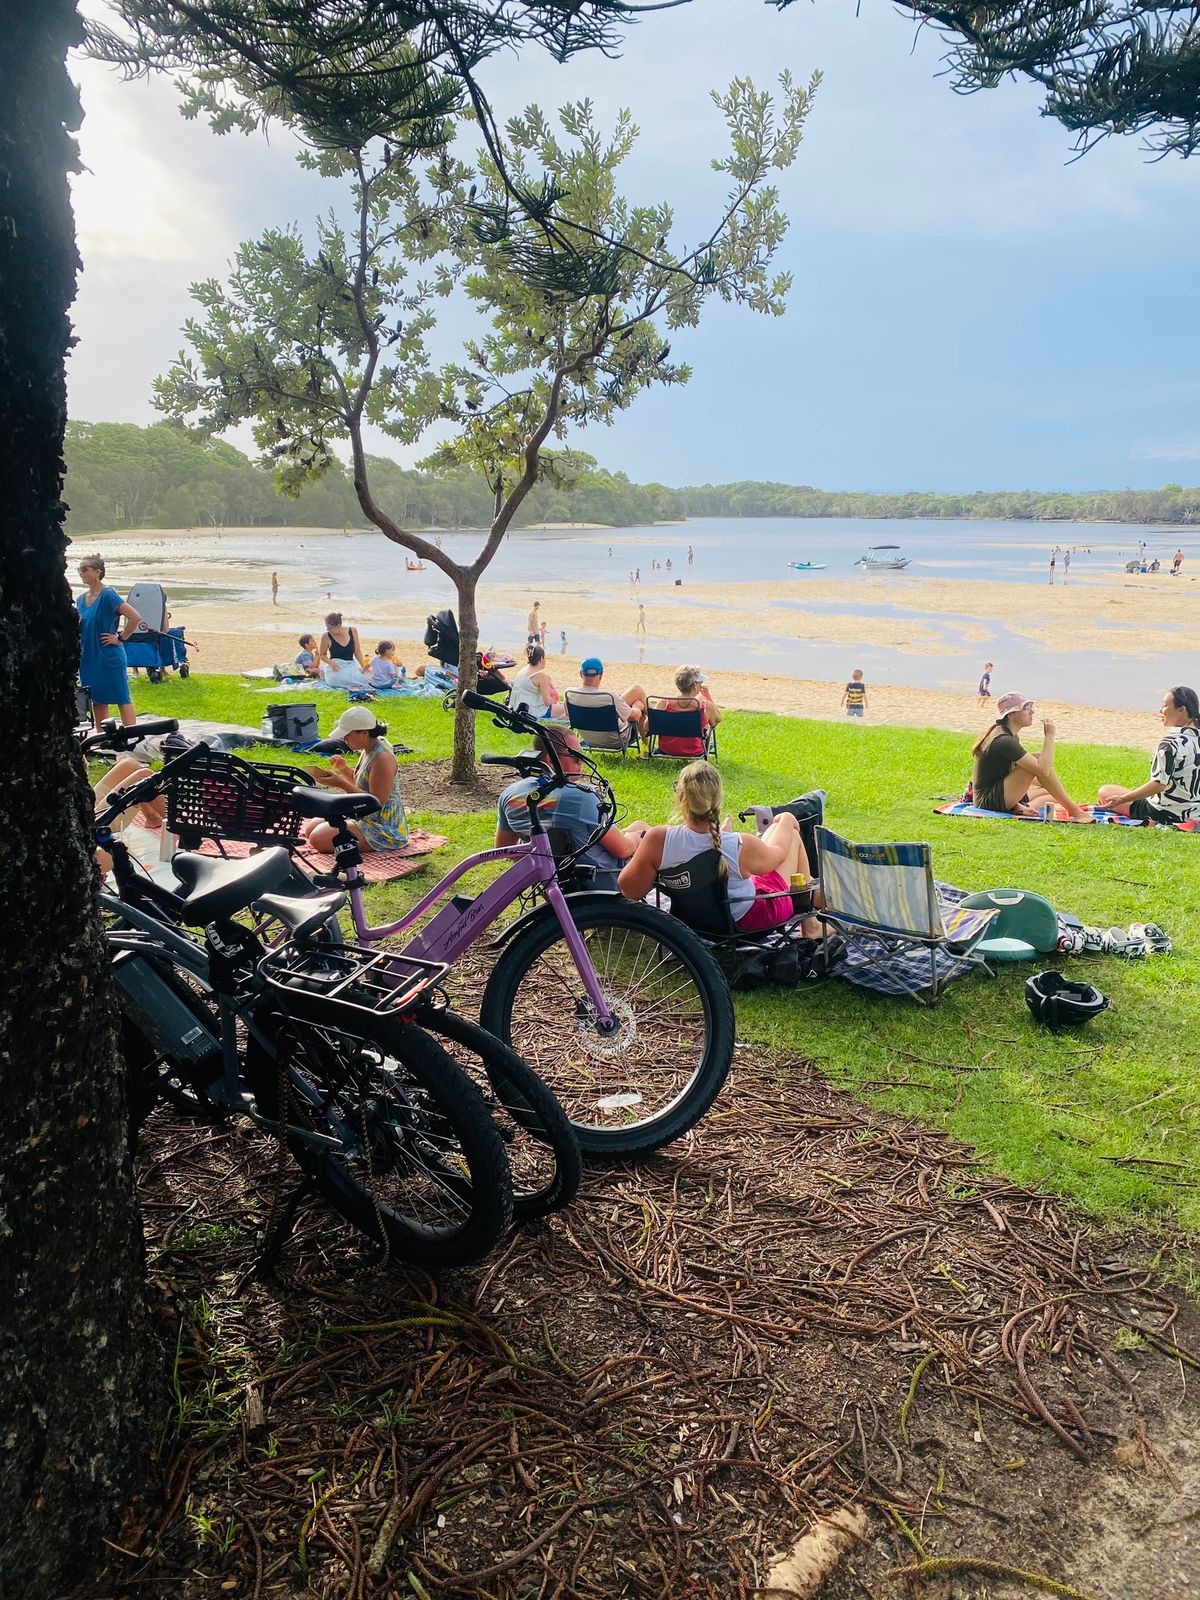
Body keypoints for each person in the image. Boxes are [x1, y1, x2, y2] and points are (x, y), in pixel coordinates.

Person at [619, 761, 822, 938]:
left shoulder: (658, 840)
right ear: (718, 801)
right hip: (749, 922)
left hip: (692, 923)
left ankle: (815, 910)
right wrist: (786, 819)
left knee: (765, 844)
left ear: (681, 798)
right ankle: (811, 924)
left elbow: (629, 890)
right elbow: (778, 855)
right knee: (790, 836)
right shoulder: (738, 845)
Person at [495, 725, 649, 889]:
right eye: (576, 757)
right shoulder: (582, 797)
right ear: (550, 760)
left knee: (636, 825)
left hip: (555, 885)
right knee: (648, 834)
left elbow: (504, 847)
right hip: (604, 882)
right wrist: (639, 836)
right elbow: (623, 850)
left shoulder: (510, 795)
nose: (581, 762)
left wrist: (543, 860)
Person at [301, 706, 409, 852]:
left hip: (383, 826)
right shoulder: (368, 750)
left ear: (364, 733)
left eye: (347, 735)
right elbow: (364, 784)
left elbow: (375, 802)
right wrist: (344, 770)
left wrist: (341, 783)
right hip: (364, 816)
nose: (343, 739)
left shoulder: (382, 758)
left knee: (317, 838)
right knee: (312, 827)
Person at [971, 692, 1090, 820]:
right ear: (1011, 714)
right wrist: (1049, 736)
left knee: (1050, 793)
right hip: (988, 801)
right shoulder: (1003, 740)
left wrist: (1045, 784)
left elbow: (1011, 770)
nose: (1031, 712)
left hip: (995, 794)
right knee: (1039, 761)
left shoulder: (1009, 735)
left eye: (1031, 708)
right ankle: (1074, 811)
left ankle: (1023, 807)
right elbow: (1042, 769)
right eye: (1026, 709)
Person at [1097, 687, 1200, 823]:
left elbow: (1159, 785)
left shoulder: (1169, 744)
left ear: (1181, 710)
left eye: (1164, 706)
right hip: (1196, 811)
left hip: (1166, 813)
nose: (1160, 711)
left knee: (1105, 791)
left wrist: (1123, 799)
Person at [75, 554, 141, 728]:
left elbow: (134, 617)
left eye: (84, 569)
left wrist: (120, 638)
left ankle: (130, 736)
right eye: (79, 569)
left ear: (97, 572)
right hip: (88, 657)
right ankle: (102, 738)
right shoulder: (80, 599)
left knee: (121, 696)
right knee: (97, 698)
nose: (81, 573)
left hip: (108, 655)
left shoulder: (108, 595)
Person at [572, 658, 649, 740]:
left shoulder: (570, 694)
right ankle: (653, 721)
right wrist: (636, 706)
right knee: (637, 692)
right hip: (616, 739)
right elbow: (634, 716)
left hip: (589, 739)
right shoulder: (609, 697)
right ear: (601, 675)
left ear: (581, 674)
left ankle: (652, 720)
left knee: (636, 691)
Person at [655, 665, 722, 757]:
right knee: (706, 721)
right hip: (694, 751)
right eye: (700, 683)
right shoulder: (705, 706)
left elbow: (647, 726)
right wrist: (708, 696)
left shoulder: (663, 703)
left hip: (666, 749)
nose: (701, 684)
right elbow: (717, 720)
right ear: (695, 685)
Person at [507, 643, 566, 720]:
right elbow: (547, 701)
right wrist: (556, 700)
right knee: (567, 709)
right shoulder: (540, 676)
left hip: (516, 707)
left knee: (559, 707)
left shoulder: (523, 670)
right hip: (531, 712)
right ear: (541, 658)